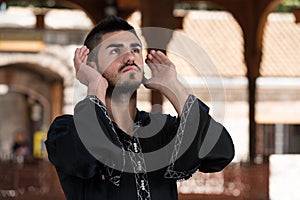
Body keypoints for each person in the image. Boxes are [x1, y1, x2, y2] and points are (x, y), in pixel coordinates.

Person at [45, 15, 234, 200]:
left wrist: (175, 87)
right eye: (115, 51)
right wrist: (95, 86)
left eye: (135, 50)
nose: (130, 57)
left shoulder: (163, 129)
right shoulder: (67, 131)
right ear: (90, 65)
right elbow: (84, 159)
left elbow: (221, 152)